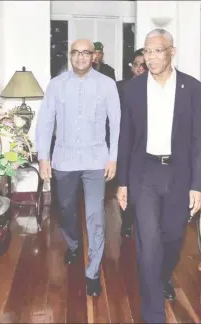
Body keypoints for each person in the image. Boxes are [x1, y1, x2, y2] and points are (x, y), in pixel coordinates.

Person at [117, 28, 201, 323]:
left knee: (173, 237)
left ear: (171, 52)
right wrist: (123, 182)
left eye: (157, 51)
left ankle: (162, 276)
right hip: (144, 173)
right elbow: (125, 137)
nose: (150, 57)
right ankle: (153, 313)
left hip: (179, 173)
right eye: (147, 51)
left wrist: (197, 185)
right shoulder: (133, 88)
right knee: (147, 242)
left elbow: (197, 140)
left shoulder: (192, 88)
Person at [36, 39, 121, 297]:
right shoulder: (56, 84)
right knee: (65, 209)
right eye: (76, 52)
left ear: (94, 56)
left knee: (95, 215)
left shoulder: (106, 85)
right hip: (64, 160)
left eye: (86, 53)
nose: (81, 57)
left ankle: (92, 271)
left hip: (96, 160)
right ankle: (73, 244)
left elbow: (116, 124)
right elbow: (45, 122)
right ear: (70, 55)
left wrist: (113, 157)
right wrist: (43, 158)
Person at [116, 48, 148, 239]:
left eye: (143, 65)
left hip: (148, 147)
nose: (140, 68)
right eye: (137, 64)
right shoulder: (121, 87)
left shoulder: (157, 87)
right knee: (126, 184)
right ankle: (127, 222)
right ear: (132, 67)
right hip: (126, 144)